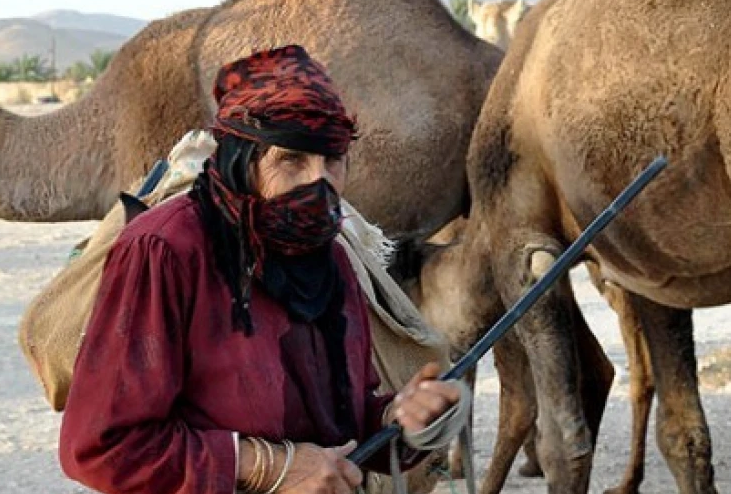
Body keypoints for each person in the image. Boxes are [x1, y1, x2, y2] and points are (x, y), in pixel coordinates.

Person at [58, 44, 461, 494]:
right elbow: (102, 446)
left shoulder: (332, 259)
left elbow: (342, 424)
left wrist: (400, 418)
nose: (318, 182)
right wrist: (267, 465)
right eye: (291, 160)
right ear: (241, 160)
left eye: (332, 160)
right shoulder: (165, 250)